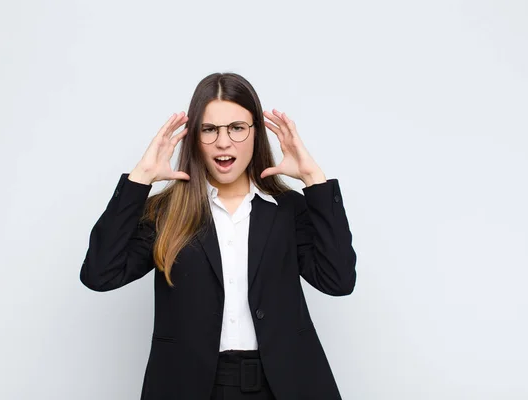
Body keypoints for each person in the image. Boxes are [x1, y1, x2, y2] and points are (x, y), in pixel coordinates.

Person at [80, 72, 357, 400]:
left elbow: (338, 281)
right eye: (209, 129)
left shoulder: (287, 209)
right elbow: (100, 275)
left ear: (256, 133)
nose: (223, 142)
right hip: (191, 386)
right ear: (194, 136)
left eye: (237, 128)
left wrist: (314, 180)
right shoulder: (167, 212)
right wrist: (139, 180)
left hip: (282, 385)